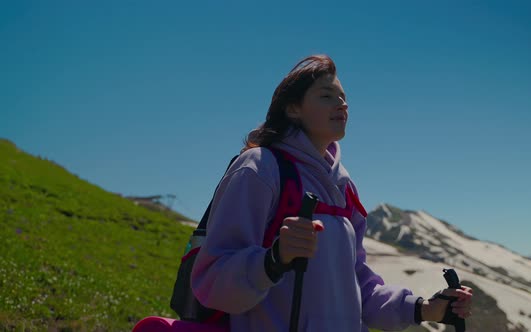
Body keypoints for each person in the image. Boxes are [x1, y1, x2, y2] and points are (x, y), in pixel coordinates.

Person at [191, 54, 473, 331]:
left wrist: (424, 309)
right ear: (293, 109)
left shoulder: (344, 188)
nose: (342, 104)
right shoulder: (260, 168)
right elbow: (212, 281)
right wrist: (274, 259)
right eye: (327, 96)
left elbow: (359, 286)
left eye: (343, 97)